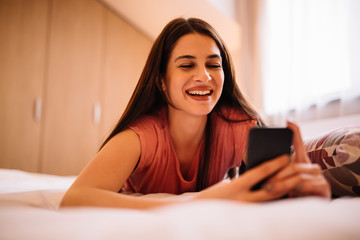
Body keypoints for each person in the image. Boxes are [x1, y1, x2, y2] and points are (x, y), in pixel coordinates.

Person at [60, 17, 330, 209]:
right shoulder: (141, 137)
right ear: (161, 82)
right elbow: (75, 197)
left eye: (214, 65)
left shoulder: (238, 126)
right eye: (187, 65)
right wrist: (192, 204)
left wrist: (299, 187)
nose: (204, 76)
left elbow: (272, 188)